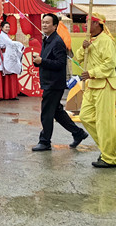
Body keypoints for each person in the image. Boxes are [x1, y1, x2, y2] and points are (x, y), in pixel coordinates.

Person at [32, 13, 87, 151]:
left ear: (55, 26)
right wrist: (39, 61)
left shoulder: (57, 42)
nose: (44, 25)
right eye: (43, 22)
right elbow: (47, 60)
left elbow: (60, 63)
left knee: (46, 113)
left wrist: (42, 61)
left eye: (47, 23)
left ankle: (45, 141)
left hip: (54, 83)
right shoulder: (48, 39)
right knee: (57, 112)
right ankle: (78, 133)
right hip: (49, 81)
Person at [74, 13, 116, 168]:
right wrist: (83, 47)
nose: (85, 25)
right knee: (85, 117)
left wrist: (91, 73)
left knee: (104, 122)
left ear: (98, 24)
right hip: (92, 86)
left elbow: (110, 64)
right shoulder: (89, 41)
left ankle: (109, 157)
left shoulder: (106, 41)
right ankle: (108, 149)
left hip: (105, 84)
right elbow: (78, 58)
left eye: (88, 22)